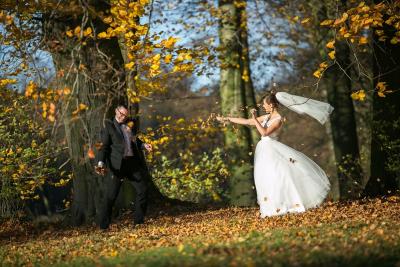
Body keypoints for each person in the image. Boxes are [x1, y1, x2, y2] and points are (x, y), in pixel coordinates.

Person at [217, 90, 332, 217]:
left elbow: (264, 133)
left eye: (265, 105)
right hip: (264, 151)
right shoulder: (266, 117)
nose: (263, 107)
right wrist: (228, 119)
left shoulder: (278, 119)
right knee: (267, 178)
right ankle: (272, 207)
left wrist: (255, 118)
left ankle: (290, 204)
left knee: (279, 176)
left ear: (271, 105)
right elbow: (247, 121)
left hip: (273, 150)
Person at [95, 105, 152, 229]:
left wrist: (144, 145)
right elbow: (103, 147)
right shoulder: (108, 126)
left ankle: (138, 222)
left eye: (125, 115)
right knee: (110, 196)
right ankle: (103, 226)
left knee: (143, 190)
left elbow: (134, 141)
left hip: (132, 164)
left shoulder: (129, 125)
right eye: (121, 113)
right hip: (117, 166)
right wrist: (100, 163)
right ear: (116, 111)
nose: (122, 116)